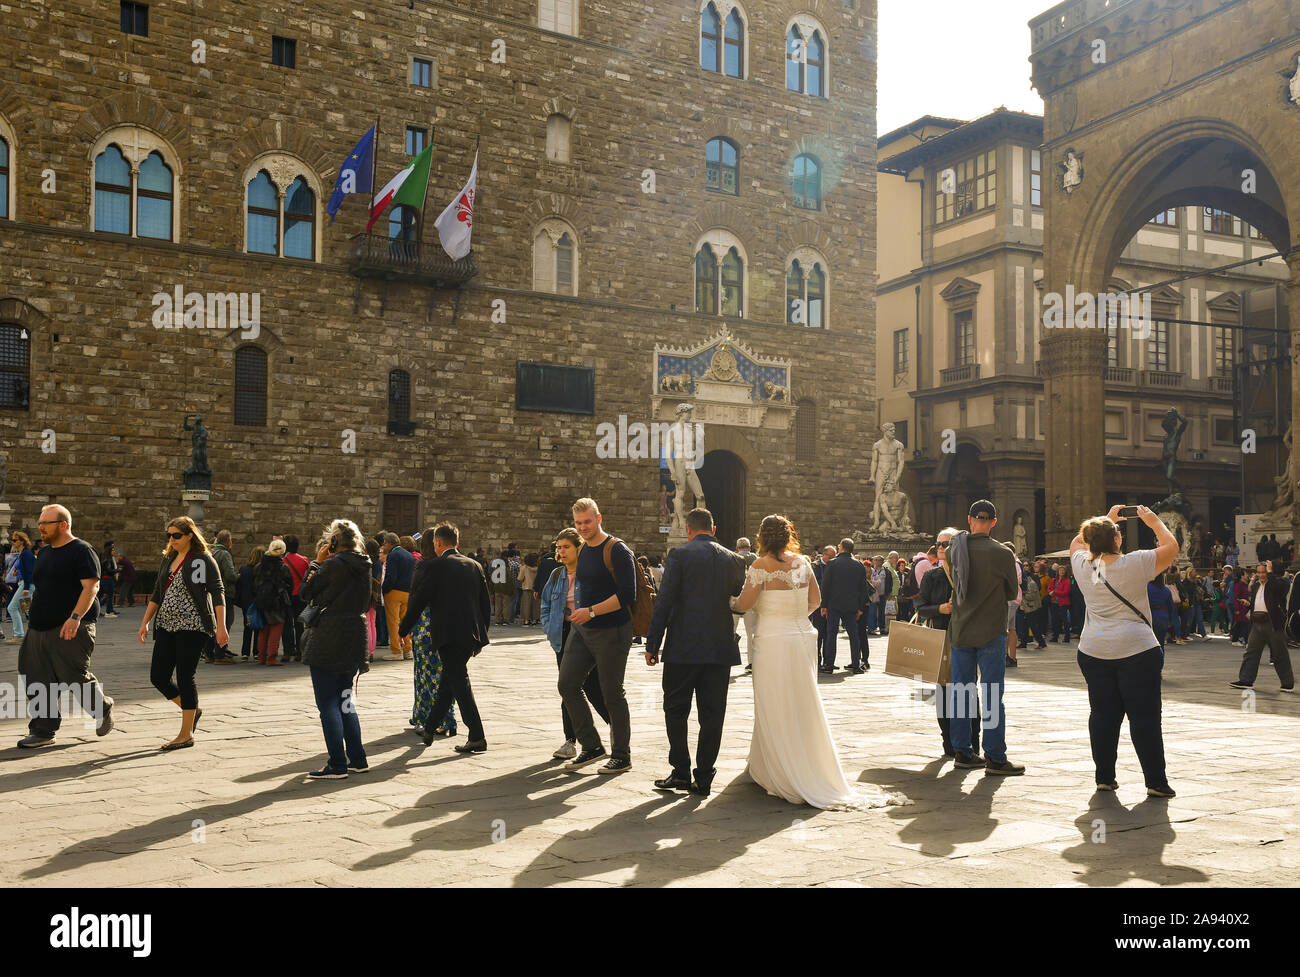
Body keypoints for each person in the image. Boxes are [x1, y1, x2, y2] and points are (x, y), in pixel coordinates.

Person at [729, 514, 908, 809]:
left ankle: (778, 767)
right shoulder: (803, 563)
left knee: (773, 700)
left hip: (773, 639)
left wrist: (731, 603)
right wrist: (794, 615)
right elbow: (815, 600)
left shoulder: (760, 566)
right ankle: (786, 762)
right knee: (802, 698)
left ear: (763, 536)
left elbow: (745, 604)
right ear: (788, 535)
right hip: (801, 637)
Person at [1070, 505, 1178, 797]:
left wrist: (1106, 518)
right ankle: (1155, 781)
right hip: (1137, 649)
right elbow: (1172, 546)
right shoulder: (1137, 562)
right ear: (1118, 540)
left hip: (1094, 650)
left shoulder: (1083, 565)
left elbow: (1075, 544)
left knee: (1103, 714)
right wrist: (1152, 520)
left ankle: (1104, 777)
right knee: (1144, 717)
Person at [645, 508, 746, 796]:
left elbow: (664, 601)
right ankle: (703, 776)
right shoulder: (735, 559)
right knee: (713, 714)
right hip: (719, 648)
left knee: (675, 709)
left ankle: (680, 771)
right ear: (713, 530)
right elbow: (737, 599)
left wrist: (653, 644)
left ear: (688, 530)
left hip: (683, 647)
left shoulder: (680, 555)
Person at [16, 505, 115, 749]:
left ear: (63, 524)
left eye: (46, 523)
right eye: (40, 522)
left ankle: (101, 708)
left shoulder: (81, 550)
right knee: (35, 677)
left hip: (71, 626)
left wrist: (75, 617)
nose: (40, 527)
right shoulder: (46, 553)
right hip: (39, 628)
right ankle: (43, 729)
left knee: (72, 675)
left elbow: (91, 587)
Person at [557, 497, 637, 774]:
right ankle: (591, 746)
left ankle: (622, 755)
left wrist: (590, 611)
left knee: (612, 693)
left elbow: (628, 595)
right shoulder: (584, 549)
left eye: (587, 522)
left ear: (599, 519)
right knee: (567, 684)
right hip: (583, 629)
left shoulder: (617, 549)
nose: (583, 527)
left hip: (612, 629)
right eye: (578, 523)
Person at [400, 522, 492, 752]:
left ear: (438, 542)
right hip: (470, 634)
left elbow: (419, 601)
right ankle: (430, 728)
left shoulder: (436, 567)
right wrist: (481, 637)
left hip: (447, 634)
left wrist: (403, 629)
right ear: (457, 542)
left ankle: (477, 735)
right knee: (449, 681)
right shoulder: (474, 565)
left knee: (459, 682)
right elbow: (484, 604)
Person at [946, 500, 1023, 775]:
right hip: (991, 630)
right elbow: (1012, 592)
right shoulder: (1002, 553)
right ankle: (995, 757)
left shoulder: (953, 551)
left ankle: (963, 752)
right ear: (993, 522)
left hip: (961, 630)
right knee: (991, 695)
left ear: (969, 520)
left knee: (961, 693)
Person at [137, 517, 227, 750]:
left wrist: (221, 626)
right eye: (169, 535)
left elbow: (217, 591)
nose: (172, 539)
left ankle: (186, 734)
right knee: (158, 676)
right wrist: (145, 622)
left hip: (193, 626)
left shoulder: (202, 559)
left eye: (176, 535)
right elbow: (157, 592)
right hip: (166, 625)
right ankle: (192, 709)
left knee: (186, 676)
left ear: (190, 535)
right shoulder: (168, 558)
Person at [296, 519, 373, 778]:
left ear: (333, 542)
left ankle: (337, 764)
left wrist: (316, 563)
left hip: (329, 636)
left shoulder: (331, 565)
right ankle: (358, 759)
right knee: (346, 700)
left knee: (327, 703)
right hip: (355, 634)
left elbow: (305, 592)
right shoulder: (365, 565)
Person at [541, 527, 609, 760]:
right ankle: (570, 740)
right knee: (567, 686)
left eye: (566, 546)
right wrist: (550, 629)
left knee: (593, 687)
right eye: (559, 547)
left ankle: (616, 728)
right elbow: (546, 605)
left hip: (588, 634)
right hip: (564, 634)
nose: (562, 551)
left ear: (578, 547)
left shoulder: (589, 573)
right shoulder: (557, 575)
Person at [917, 527, 980, 759]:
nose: (941, 548)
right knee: (943, 693)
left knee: (969, 691)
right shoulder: (932, 576)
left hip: (967, 638)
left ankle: (973, 743)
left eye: (947, 544)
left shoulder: (969, 573)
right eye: (939, 544)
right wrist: (940, 609)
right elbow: (920, 607)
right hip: (941, 639)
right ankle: (949, 743)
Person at [407, 530, 457, 739]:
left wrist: (407, 625)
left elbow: (416, 597)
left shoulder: (424, 566)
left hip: (425, 625)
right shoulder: (450, 566)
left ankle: (427, 716)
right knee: (444, 673)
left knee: (425, 672)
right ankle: (448, 718)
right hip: (447, 624)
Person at [1230, 562, 1295, 693]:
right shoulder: (1256, 586)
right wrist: (1248, 604)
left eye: (1264, 572)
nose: (1261, 575)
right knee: (1251, 652)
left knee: (1279, 654)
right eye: (1259, 572)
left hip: (1273, 623)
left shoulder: (1280, 583)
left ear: (1270, 572)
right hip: (1257, 623)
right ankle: (1246, 680)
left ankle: (1287, 683)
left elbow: (1278, 589)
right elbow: (1257, 602)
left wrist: (1270, 573)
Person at [818, 538, 868, 674]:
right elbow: (863, 589)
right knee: (854, 635)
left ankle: (829, 664)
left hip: (834, 604)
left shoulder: (833, 564)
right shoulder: (858, 565)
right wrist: (861, 608)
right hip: (852, 605)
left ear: (841, 548)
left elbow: (825, 586)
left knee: (831, 634)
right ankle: (856, 665)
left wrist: (824, 605)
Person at [252, 539, 293, 665]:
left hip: (261, 601)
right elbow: (289, 585)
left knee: (263, 630)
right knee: (276, 629)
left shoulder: (259, 566)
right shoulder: (282, 567)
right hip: (277, 602)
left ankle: (261, 657)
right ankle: (271, 658)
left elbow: (254, 584)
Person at [204, 530, 239, 664]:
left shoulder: (210, 553)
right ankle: (220, 654)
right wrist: (238, 577)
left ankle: (208, 654)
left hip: (209, 594)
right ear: (228, 541)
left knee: (212, 624)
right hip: (224, 594)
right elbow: (230, 575)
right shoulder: (224, 554)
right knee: (224, 623)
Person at [380, 532, 414, 659]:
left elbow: (391, 576)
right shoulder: (409, 555)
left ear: (389, 543)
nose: (383, 546)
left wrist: (384, 589)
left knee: (393, 622)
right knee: (405, 622)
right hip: (407, 592)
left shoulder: (393, 555)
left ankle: (396, 651)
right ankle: (408, 649)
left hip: (394, 591)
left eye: (384, 543)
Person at [282, 535, 310, 663]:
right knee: (299, 625)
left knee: (287, 625)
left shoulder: (283, 561)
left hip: (287, 596)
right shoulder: (304, 560)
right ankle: (300, 652)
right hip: (300, 596)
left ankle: (287, 652)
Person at [735, 537, 759, 671]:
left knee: (731, 630)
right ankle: (751, 662)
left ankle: (728, 658)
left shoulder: (732, 557)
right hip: (751, 598)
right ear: (749, 547)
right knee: (752, 632)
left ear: (737, 548)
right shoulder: (755, 558)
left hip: (735, 598)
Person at [236, 545, 264, 661]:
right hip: (258, 601)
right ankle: (256, 652)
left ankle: (245, 652)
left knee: (247, 627)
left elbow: (239, 586)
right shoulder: (262, 570)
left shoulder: (244, 569)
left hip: (246, 603)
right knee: (258, 626)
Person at [6, 531, 35, 643]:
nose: (13, 542)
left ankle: (18, 635)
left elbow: (29, 571)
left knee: (11, 608)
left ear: (22, 541)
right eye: (12, 540)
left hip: (26, 585)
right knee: (28, 611)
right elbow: (24, 569)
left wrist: (26, 587)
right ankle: (36, 634)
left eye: (15, 540)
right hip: (24, 583)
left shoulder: (26, 554)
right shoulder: (23, 553)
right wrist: (17, 573)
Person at [363, 537, 382, 663]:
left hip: (368, 594)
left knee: (367, 623)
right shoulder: (379, 562)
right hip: (376, 594)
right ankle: (372, 651)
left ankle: (367, 652)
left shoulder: (367, 562)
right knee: (372, 622)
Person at [1147, 573, 1175, 653]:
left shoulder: (1147, 587)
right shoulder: (1166, 589)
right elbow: (1170, 606)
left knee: (1149, 643)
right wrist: (1170, 620)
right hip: (1163, 616)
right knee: (1160, 642)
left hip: (1151, 616)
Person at [490, 550, 513, 625]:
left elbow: (492, 580)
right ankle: (506, 620)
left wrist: (491, 590)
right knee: (506, 605)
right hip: (506, 590)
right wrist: (512, 591)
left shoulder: (496, 570)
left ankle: (497, 620)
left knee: (498, 605)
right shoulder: (507, 570)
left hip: (497, 589)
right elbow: (510, 581)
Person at [1049, 564, 1071, 642]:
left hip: (1063, 603)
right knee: (1055, 620)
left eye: (1063, 570)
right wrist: (1051, 592)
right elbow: (1049, 589)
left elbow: (1065, 592)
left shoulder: (1067, 581)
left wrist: (1054, 592)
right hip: (1054, 602)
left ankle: (1067, 637)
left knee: (1064, 620)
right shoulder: (1054, 580)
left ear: (1065, 572)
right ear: (1057, 572)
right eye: (1060, 570)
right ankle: (1055, 636)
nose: (1061, 572)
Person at [98, 542, 119, 618]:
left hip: (103, 579)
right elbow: (109, 570)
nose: (114, 552)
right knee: (110, 596)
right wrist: (117, 570)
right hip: (108, 579)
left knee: (99, 596)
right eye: (113, 550)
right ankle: (109, 612)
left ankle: (95, 610)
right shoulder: (108, 560)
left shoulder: (104, 558)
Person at [518, 554, 540, 626]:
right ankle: (534, 619)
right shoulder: (538, 568)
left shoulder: (524, 568)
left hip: (526, 587)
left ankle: (527, 620)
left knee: (526, 604)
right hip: (535, 588)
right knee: (535, 605)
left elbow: (520, 578)